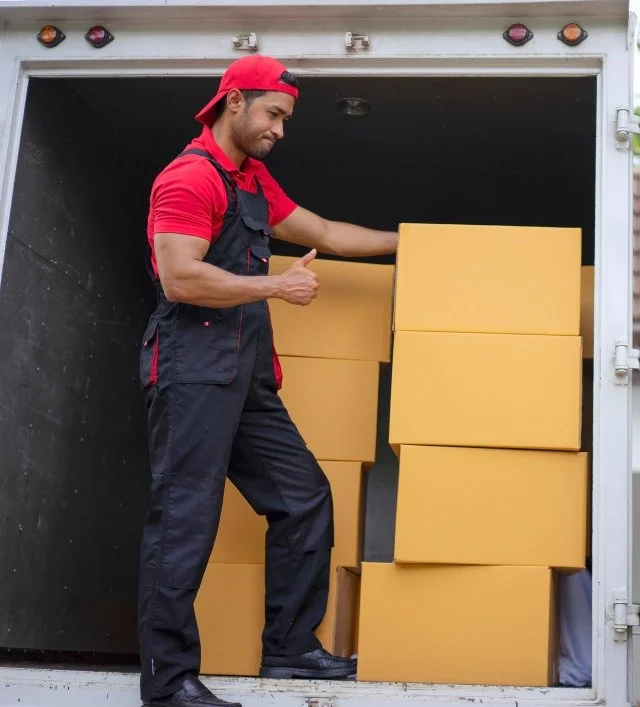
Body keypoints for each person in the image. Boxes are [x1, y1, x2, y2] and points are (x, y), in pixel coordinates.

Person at [136, 55, 398, 707]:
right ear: (234, 102)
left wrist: (413, 241)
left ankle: (290, 647)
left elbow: (328, 233)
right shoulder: (188, 179)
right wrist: (277, 284)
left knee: (303, 494)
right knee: (185, 518)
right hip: (192, 370)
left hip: (245, 378)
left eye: (286, 118)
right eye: (274, 114)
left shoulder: (253, 182)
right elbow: (180, 277)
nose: (281, 129)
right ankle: (168, 682)